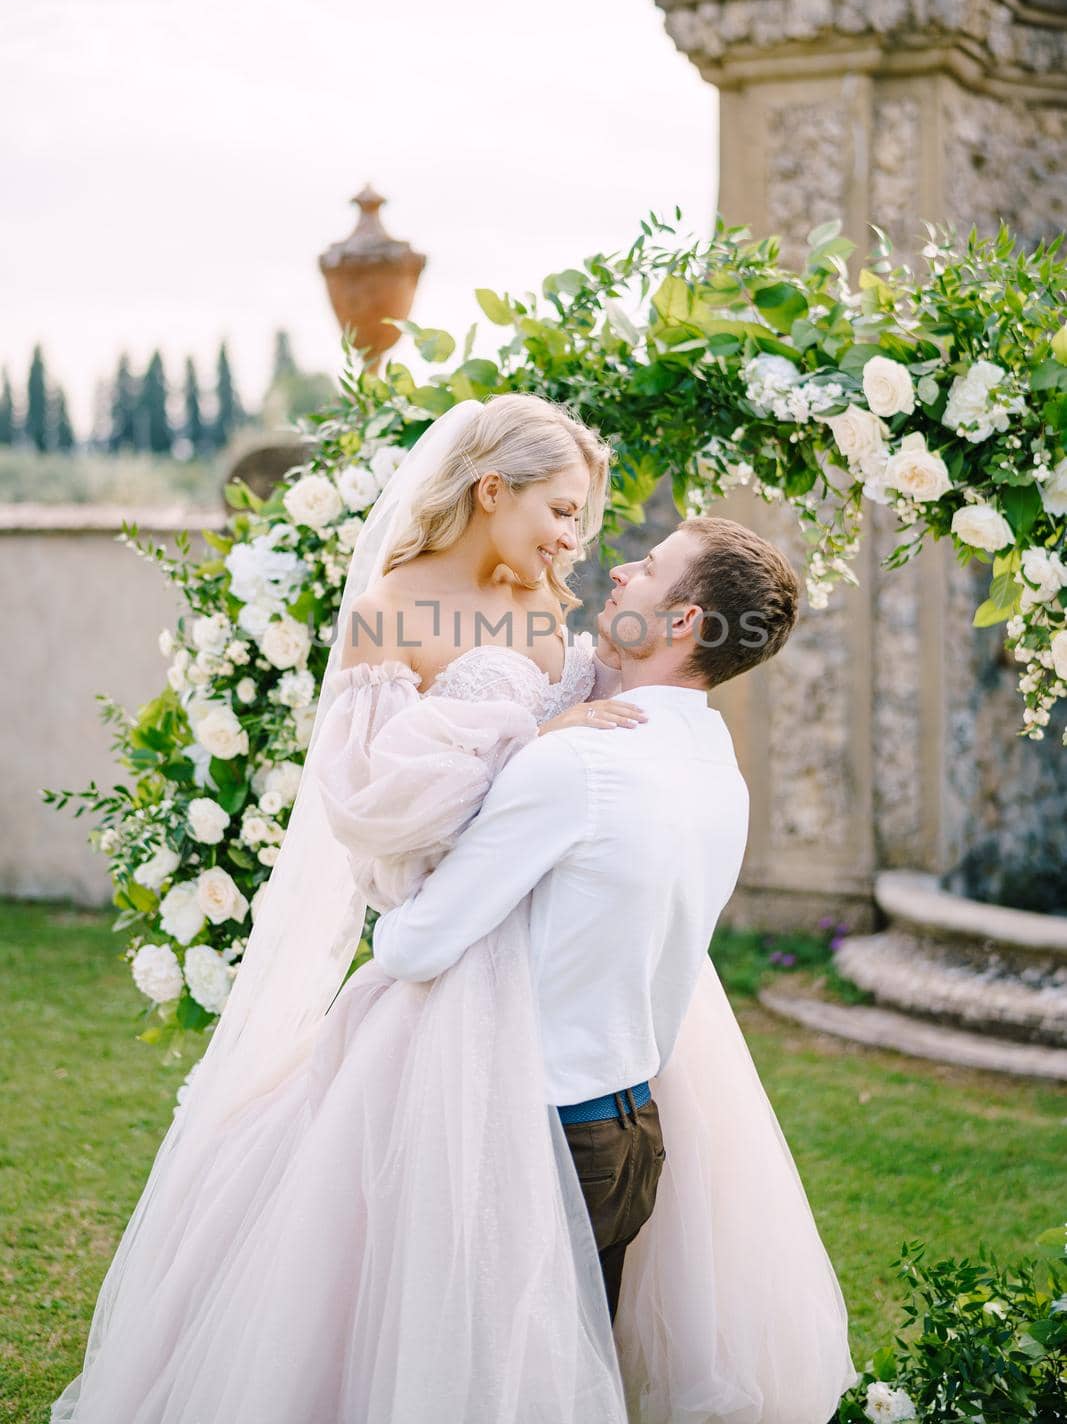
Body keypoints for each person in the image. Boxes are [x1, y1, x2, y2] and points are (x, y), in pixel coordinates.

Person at [54, 397, 854, 1424]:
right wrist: (538, 739)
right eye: (561, 510)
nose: (578, 543)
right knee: (394, 1269)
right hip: (458, 943)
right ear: (491, 490)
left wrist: (558, 741)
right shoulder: (395, 605)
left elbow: (579, 755)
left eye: (588, 521)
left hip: (530, 952)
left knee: (513, 1299)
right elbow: (372, 802)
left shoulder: (544, 602)